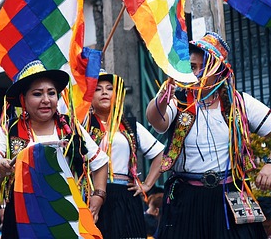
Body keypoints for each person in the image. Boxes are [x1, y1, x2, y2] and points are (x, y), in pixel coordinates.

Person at [146, 32, 271, 238]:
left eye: (198, 67)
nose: (193, 74)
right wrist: (161, 98)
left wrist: (269, 163)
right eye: (190, 67)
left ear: (217, 69)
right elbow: (156, 121)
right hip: (187, 196)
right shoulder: (178, 101)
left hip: (230, 194)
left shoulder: (239, 102)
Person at [0, 60, 109, 238]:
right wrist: (0, 165)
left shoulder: (71, 128)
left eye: (51, 93)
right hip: (22, 213)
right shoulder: (9, 130)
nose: (46, 100)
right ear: (23, 99)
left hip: (64, 210)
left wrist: (98, 196)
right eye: (37, 94)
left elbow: (100, 161)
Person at [85, 70, 164, 239]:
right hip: (92, 195)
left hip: (125, 196)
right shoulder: (82, 126)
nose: (104, 92)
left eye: (109, 88)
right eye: (98, 89)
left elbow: (160, 154)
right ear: (89, 95)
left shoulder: (129, 126)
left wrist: (146, 185)